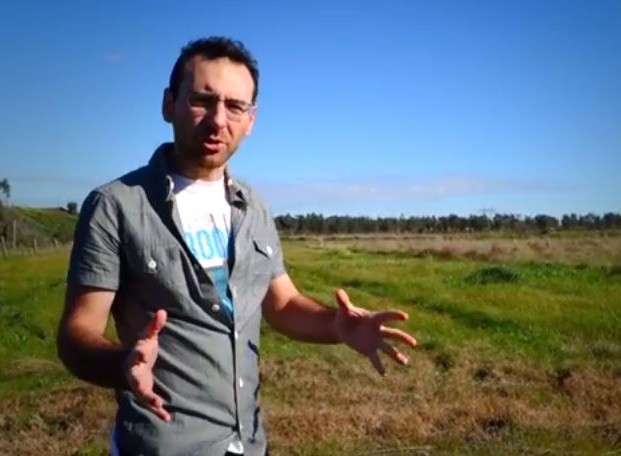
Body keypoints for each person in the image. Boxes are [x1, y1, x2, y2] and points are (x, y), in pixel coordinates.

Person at [56, 36, 416, 456]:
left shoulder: (252, 206)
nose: (218, 120)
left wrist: (338, 326)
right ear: (169, 104)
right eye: (202, 100)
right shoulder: (116, 205)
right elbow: (76, 334)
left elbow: (282, 304)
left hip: (248, 443)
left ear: (251, 119)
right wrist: (123, 365)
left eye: (234, 106)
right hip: (164, 444)